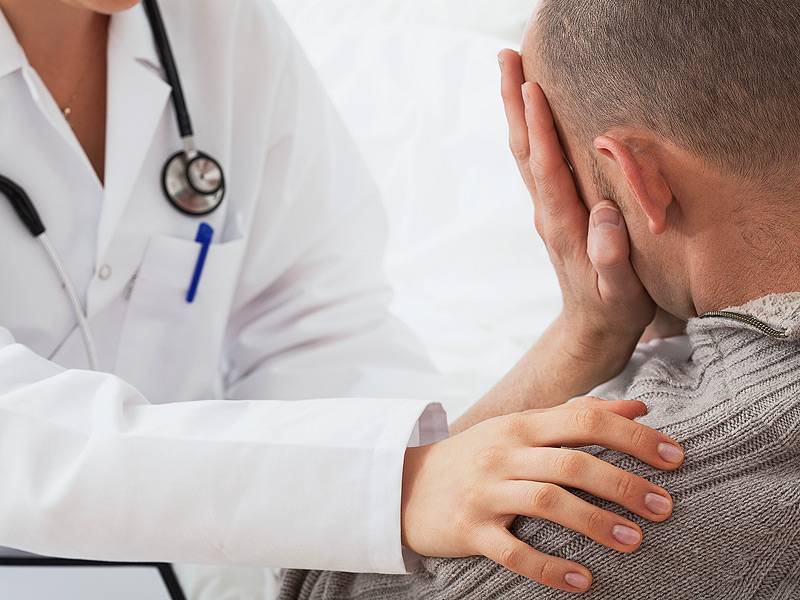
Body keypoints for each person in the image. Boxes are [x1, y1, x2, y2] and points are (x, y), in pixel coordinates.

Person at [0, 0, 683, 592]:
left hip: (198, 553)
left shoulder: (219, 24)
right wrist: (391, 488)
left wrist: (574, 347)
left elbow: (318, 324)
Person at [277, 0, 800, 598]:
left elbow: (322, 581)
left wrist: (581, 336)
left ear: (641, 181)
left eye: (564, 170)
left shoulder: (612, 506)